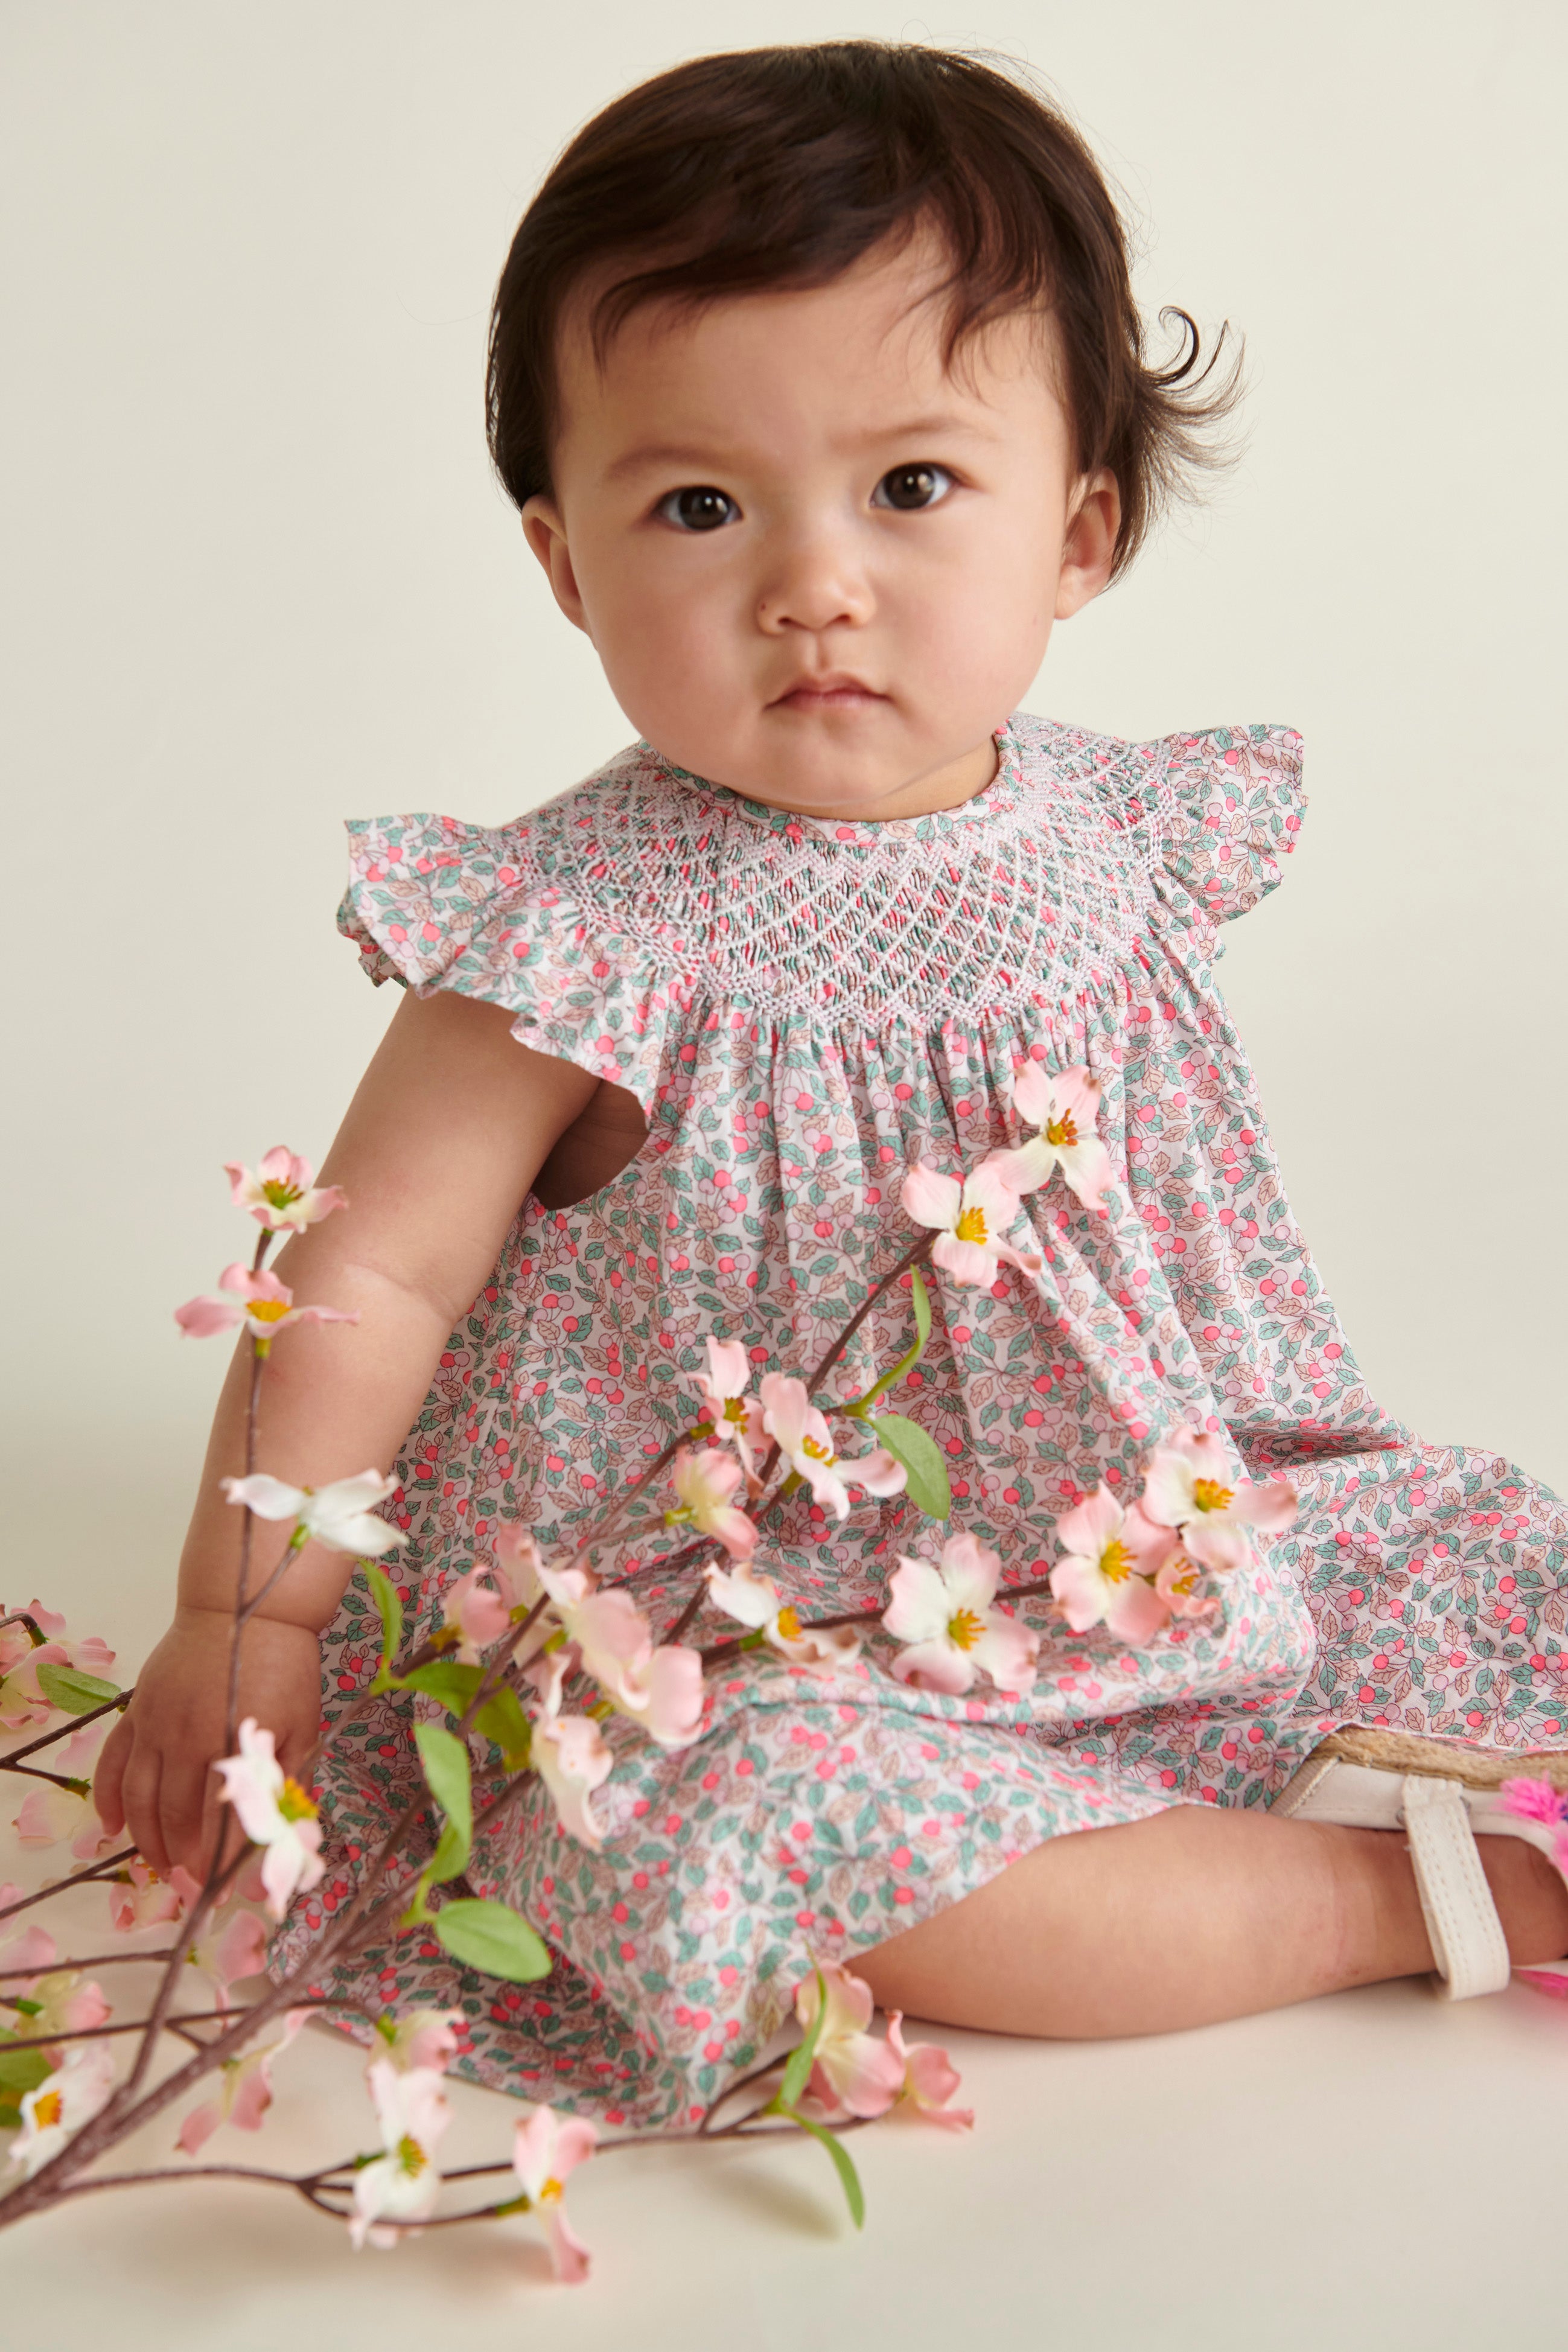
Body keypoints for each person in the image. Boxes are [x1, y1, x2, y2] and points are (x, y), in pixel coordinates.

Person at [95, 41, 1568, 2129]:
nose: (813, 580)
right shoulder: (574, 938)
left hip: (1158, 1533)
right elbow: (372, 1272)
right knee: (741, 1816)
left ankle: (1278, 1759)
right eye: (700, 506)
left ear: (1079, 530)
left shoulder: (1117, 836)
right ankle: (1407, 1890)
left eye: (912, 488)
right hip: (730, 1625)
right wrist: (243, 1616)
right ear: (565, 564)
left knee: (1486, 1546)